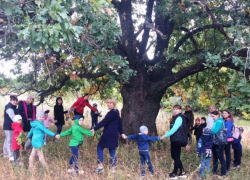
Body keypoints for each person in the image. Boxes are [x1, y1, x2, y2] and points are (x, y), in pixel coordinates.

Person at [90, 97, 125, 174]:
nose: (108, 104)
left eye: (110, 103)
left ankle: (100, 166)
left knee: (100, 147)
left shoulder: (112, 113)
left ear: (114, 104)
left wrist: (94, 128)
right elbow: (120, 123)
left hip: (108, 134)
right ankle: (113, 169)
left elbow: (104, 122)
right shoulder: (116, 112)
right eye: (108, 102)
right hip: (114, 135)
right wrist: (121, 133)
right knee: (112, 150)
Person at [161, 105, 188, 179]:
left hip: (178, 139)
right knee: (174, 156)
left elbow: (175, 128)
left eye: (177, 109)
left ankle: (174, 173)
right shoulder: (175, 117)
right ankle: (182, 172)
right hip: (175, 139)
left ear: (180, 110)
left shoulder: (179, 117)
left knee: (176, 156)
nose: (175, 110)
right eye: (174, 109)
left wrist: (166, 135)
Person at [211, 111, 226, 177]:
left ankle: (223, 173)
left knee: (220, 157)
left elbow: (214, 131)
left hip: (219, 142)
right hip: (215, 142)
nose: (212, 118)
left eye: (213, 116)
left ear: (217, 115)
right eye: (211, 116)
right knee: (215, 157)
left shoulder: (219, 121)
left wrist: (206, 130)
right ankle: (214, 170)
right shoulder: (216, 121)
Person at [3, 95, 18, 161]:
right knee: (9, 141)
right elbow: (13, 117)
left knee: (7, 140)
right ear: (10, 101)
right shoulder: (9, 108)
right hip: (9, 126)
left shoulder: (13, 107)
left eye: (16, 100)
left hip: (10, 126)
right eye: (13, 100)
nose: (15, 102)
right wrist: (19, 121)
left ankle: (5, 154)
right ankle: (10, 155)